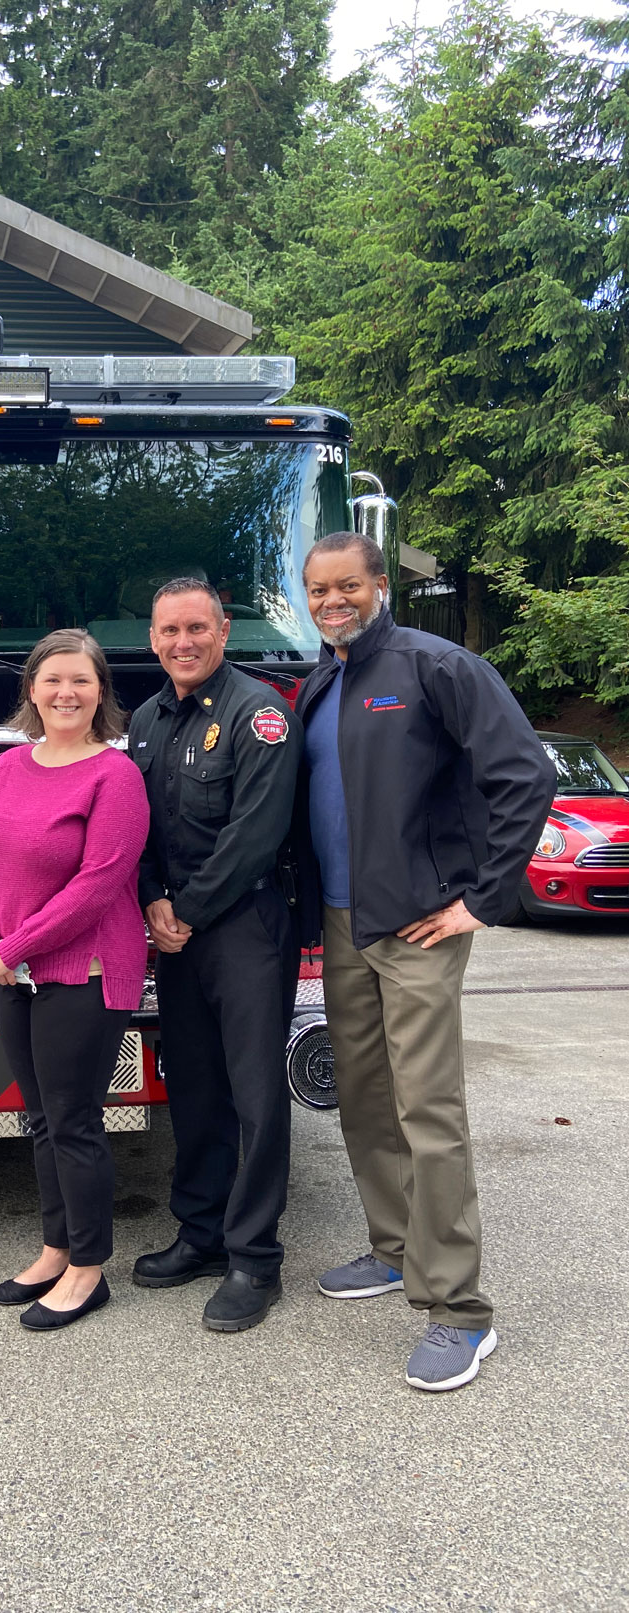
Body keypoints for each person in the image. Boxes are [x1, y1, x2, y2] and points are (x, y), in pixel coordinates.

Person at [296, 532, 554, 1391]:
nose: (333, 601)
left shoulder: (435, 666)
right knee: (364, 1096)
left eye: (348, 586)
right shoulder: (322, 679)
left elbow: (525, 773)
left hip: (416, 927)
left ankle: (458, 1309)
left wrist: (482, 897)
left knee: (428, 1108)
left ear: (380, 585)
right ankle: (393, 1247)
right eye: (318, 588)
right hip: (342, 924)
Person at [0, 629, 150, 1331]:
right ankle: (55, 1246)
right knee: (40, 1117)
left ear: (101, 693)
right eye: (52, 680)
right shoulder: (9, 767)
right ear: (31, 690)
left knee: (74, 1120)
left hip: (87, 970)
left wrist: (12, 946)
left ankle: (89, 1269)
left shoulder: (115, 776)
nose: (65, 692)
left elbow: (98, 887)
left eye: (81, 680)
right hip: (16, 971)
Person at [128, 579, 303, 1332]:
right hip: (177, 930)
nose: (183, 642)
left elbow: (255, 835)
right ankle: (199, 1233)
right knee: (194, 1084)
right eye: (170, 631)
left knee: (256, 1094)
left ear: (224, 630)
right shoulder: (144, 719)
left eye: (197, 627)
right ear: (154, 639)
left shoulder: (259, 714)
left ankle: (254, 1257)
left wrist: (182, 913)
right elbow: (131, 827)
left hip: (245, 925)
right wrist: (149, 901)